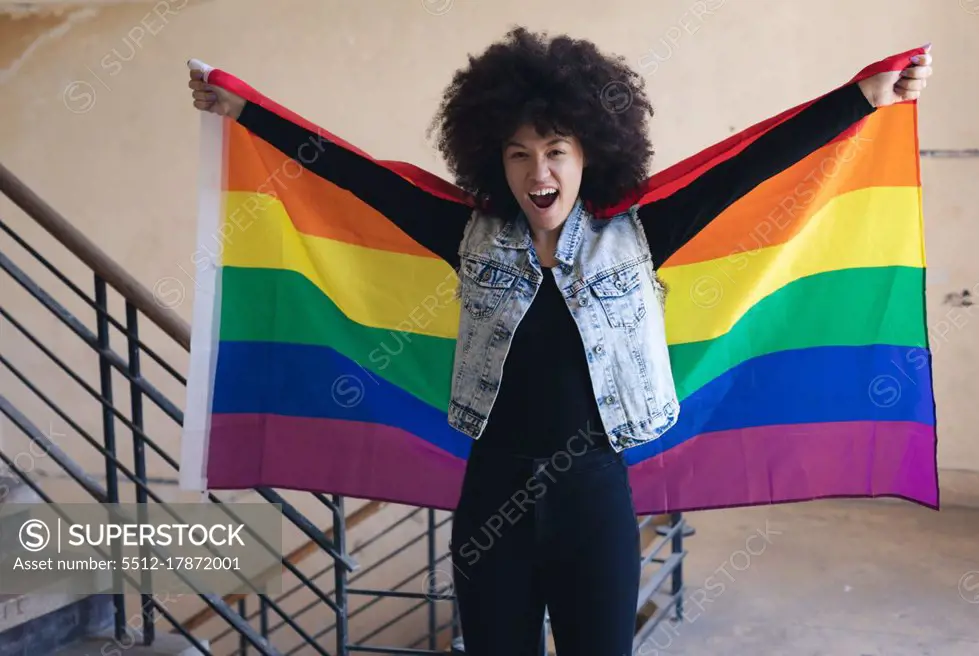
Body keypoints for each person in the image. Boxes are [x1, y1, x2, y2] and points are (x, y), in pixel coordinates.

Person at [189, 26, 932, 656]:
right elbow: (348, 174)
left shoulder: (640, 236)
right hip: (492, 499)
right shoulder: (467, 234)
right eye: (517, 154)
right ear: (493, 160)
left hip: (594, 499)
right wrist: (248, 112)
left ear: (589, 155)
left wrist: (866, 97)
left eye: (555, 151)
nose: (537, 172)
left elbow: (752, 166)